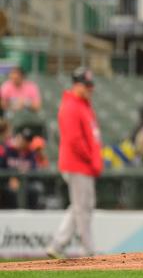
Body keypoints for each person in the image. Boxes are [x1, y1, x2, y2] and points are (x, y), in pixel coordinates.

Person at [47, 67, 102, 258]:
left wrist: (94, 159)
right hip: (76, 163)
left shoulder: (84, 105)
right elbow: (75, 140)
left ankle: (57, 244)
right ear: (76, 85)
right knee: (82, 208)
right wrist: (91, 158)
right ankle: (88, 249)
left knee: (81, 205)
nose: (90, 88)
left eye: (90, 85)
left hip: (83, 164)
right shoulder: (71, 106)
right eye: (86, 85)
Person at [0, 127, 42, 209]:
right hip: (7, 182)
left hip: (25, 183)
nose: (24, 142)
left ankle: (31, 212)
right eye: (23, 139)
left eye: (27, 141)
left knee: (36, 188)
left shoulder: (31, 153)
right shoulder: (6, 149)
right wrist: (10, 178)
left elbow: (35, 171)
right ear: (18, 137)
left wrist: (24, 176)